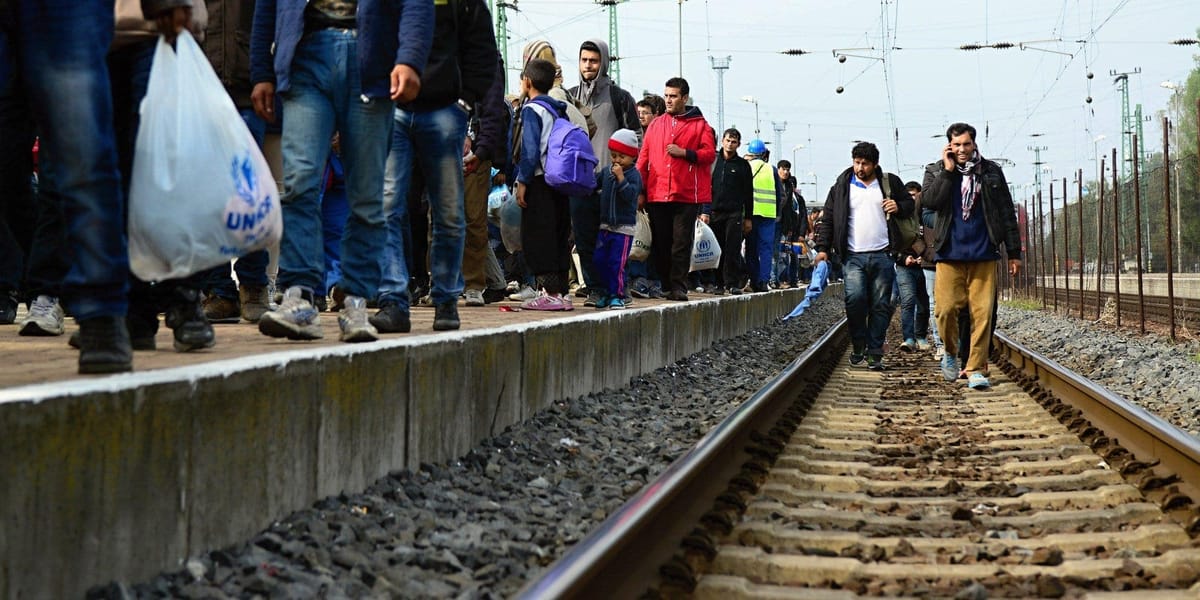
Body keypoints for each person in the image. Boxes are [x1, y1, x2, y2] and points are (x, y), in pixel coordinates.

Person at [250, 0, 433, 342]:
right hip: (305, 51)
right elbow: (267, 6)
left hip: (372, 57)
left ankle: (355, 299)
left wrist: (410, 58)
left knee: (366, 194)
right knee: (299, 181)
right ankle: (300, 296)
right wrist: (261, 71)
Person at [370, 0, 496, 334]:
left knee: (449, 212)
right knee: (387, 205)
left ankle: (445, 299)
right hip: (393, 106)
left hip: (444, 109)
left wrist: (464, 102)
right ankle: (394, 300)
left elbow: (483, 49)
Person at [921, 122, 1022, 389]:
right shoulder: (935, 171)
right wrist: (948, 172)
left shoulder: (991, 172)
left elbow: (1006, 213)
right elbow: (929, 203)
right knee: (944, 311)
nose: (962, 149)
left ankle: (976, 367)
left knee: (983, 313)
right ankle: (952, 353)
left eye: (966, 144)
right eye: (957, 145)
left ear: (974, 144)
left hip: (983, 252)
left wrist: (1014, 253)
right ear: (948, 146)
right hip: (949, 254)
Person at [196, 0, 272, 324]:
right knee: (208, 194)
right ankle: (219, 290)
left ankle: (254, 285)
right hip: (202, 86)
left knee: (247, 192)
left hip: (247, 89)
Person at [813, 141, 912, 371]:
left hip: (883, 254)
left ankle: (874, 352)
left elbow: (909, 204)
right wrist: (822, 249)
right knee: (855, 300)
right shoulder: (842, 186)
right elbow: (828, 219)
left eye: (865, 164)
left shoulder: (889, 183)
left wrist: (898, 206)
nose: (860, 167)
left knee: (881, 305)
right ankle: (859, 344)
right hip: (853, 256)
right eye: (857, 162)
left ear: (874, 164)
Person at [568, 39, 639, 307]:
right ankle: (595, 288)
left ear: (604, 63)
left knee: (614, 243)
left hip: (612, 183)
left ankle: (619, 289)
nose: (588, 65)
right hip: (580, 183)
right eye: (584, 60)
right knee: (585, 240)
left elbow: (636, 136)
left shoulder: (619, 97)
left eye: (594, 60)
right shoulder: (571, 96)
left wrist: (629, 174)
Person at [635, 77, 716, 301]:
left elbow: (709, 154)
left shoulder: (701, 126)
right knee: (661, 242)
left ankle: (678, 285)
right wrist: (640, 190)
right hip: (657, 192)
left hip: (686, 194)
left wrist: (686, 153)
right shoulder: (656, 124)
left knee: (681, 242)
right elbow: (643, 159)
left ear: (684, 98)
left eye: (673, 96)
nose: (668, 100)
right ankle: (665, 284)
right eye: (666, 96)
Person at [513, 58, 574, 311]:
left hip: (539, 180)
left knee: (538, 235)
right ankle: (561, 292)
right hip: (559, 180)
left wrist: (522, 181)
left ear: (527, 82)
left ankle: (547, 292)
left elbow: (530, 151)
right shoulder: (559, 108)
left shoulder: (531, 110)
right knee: (558, 233)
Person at [462, 54, 511, 307]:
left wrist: (485, 153)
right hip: (440, 143)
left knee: (474, 218)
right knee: (439, 219)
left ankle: (473, 285)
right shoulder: (438, 45)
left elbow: (494, 112)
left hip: (477, 154)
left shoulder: (488, 57)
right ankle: (441, 284)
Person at [593, 129, 642, 309]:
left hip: (623, 229)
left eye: (622, 156)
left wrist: (621, 179)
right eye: (614, 155)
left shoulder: (634, 175)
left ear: (632, 157)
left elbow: (630, 196)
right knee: (599, 260)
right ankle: (605, 292)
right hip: (605, 226)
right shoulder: (606, 172)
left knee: (616, 263)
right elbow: (593, 184)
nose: (617, 160)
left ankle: (618, 295)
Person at [709, 128, 751, 295]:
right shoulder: (713, 162)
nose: (730, 144)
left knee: (732, 249)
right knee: (717, 249)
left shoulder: (743, 166)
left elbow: (748, 193)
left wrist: (748, 217)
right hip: (714, 212)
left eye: (734, 142)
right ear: (722, 141)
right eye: (728, 140)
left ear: (738, 144)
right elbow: (705, 187)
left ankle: (732, 283)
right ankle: (718, 283)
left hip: (734, 213)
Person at [894, 181, 930, 352]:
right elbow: (891, 245)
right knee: (908, 301)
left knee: (924, 303)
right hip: (905, 267)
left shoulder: (927, 216)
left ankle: (921, 336)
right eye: (908, 196)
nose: (912, 199)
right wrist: (903, 258)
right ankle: (908, 338)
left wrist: (926, 258)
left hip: (926, 266)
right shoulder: (898, 218)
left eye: (915, 195)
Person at [742, 140, 779, 293]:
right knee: (766, 250)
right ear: (764, 153)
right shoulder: (772, 169)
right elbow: (779, 193)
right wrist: (777, 214)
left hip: (751, 214)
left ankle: (754, 281)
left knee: (751, 248)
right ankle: (764, 281)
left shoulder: (746, 167)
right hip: (769, 215)